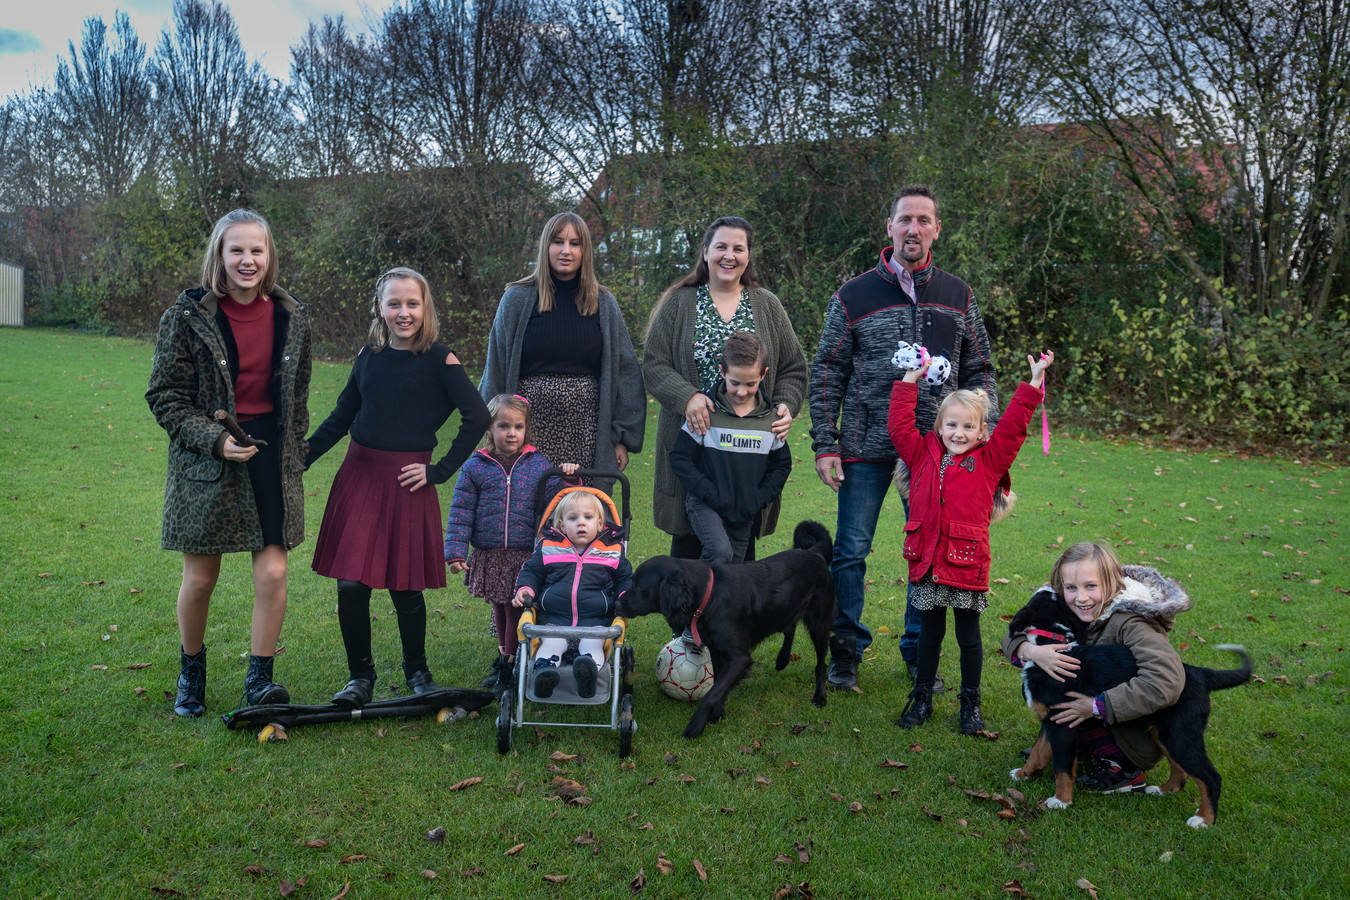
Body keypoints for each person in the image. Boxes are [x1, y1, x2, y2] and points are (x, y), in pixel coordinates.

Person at [808, 185, 999, 691]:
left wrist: (986, 439)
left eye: (923, 220)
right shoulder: (852, 295)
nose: (913, 229)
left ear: (936, 229)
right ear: (889, 227)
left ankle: (920, 652)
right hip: (866, 446)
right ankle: (845, 652)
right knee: (850, 551)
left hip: (940, 449)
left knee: (929, 549)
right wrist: (826, 442)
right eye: (904, 220)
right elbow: (828, 368)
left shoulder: (959, 295)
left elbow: (980, 368)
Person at [146, 208, 311, 716]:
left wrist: (294, 451)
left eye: (256, 250)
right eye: (236, 250)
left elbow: (298, 398)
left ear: (269, 256)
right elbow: (166, 396)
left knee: (273, 575)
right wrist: (215, 440)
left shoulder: (293, 316)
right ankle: (191, 672)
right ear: (219, 255)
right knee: (199, 580)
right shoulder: (187, 315)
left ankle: (259, 681)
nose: (247, 260)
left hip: (270, 456)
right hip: (209, 457)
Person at [305, 267, 490, 707]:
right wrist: (301, 459)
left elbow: (478, 417)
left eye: (412, 303)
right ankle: (359, 678)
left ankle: (418, 673)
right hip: (359, 476)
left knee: (405, 586)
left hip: (409, 483)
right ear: (380, 308)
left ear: (425, 308)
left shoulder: (441, 360)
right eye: (394, 303)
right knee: (351, 585)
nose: (403, 312)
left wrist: (438, 470)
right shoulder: (368, 356)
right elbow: (341, 416)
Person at [890, 351, 1054, 732]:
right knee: (929, 635)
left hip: (965, 563)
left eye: (968, 427)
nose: (959, 434)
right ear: (939, 426)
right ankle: (922, 698)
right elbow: (899, 427)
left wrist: (1032, 384)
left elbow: (1013, 428)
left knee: (969, 638)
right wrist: (909, 381)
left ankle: (970, 703)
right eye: (952, 425)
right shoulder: (921, 455)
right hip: (928, 562)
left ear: (981, 432)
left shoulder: (989, 461)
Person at [643, 216, 807, 559]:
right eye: (721, 246)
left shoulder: (767, 306)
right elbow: (654, 364)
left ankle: (735, 610)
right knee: (689, 538)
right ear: (705, 252)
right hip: (694, 442)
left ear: (748, 256)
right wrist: (687, 397)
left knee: (739, 541)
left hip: (745, 449)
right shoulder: (679, 302)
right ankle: (687, 610)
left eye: (738, 248)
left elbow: (793, 367)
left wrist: (786, 406)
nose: (728, 255)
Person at [1002, 542, 1188, 792]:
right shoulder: (1064, 604)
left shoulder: (1132, 622)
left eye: (1091, 586)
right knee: (1050, 688)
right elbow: (1014, 631)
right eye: (1071, 588)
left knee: (1075, 698)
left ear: (1112, 584)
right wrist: (1031, 651)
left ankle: (1124, 768)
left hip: (1135, 728)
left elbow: (1166, 681)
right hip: (1089, 709)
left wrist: (1097, 706)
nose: (1081, 597)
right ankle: (1077, 745)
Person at [479, 211, 645, 483]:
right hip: (526, 431)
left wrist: (621, 438)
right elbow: (495, 368)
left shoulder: (603, 303)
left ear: (585, 250)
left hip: (587, 433)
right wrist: (488, 429)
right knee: (525, 514)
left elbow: (626, 372)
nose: (566, 250)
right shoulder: (516, 299)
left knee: (581, 518)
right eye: (558, 241)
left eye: (575, 243)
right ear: (546, 246)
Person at [444, 394, 579, 695]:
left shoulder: (537, 464)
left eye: (518, 426)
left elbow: (554, 502)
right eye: (503, 426)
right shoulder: (476, 466)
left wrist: (568, 479)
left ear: (525, 429)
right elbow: (461, 512)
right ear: (489, 428)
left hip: (522, 554)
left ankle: (510, 662)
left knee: (515, 607)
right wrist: (455, 552)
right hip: (490, 553)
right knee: (500, 607)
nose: (511, 433)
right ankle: (507, 657)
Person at [669, 332, 792, 568]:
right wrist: (710, 493)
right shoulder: (706, 414)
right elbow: (680, 458)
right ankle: (695, 595)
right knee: (719, 551)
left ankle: (712, 604)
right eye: (734, 382)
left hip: (745, 510)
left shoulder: (772, 420)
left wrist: (757, 499)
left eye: (751, 384)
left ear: (763, 375)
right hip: (706, 502)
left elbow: (782, 466)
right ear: (722, 371)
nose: (741, 391)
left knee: (734, 571)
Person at [512, 489, 632, 699]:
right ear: (561, 525)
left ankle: (587, 674)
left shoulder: (612, 551)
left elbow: (625, 579)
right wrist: (526, 588)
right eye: (573, 518)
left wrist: (625, 596)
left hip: (595, 622)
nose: (581, 523)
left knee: (592, 645)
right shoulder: (549, 548)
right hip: (554, 621)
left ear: (601, 524)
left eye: (588, 517)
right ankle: (544, 674)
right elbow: (531, 571)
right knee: (551, 643)